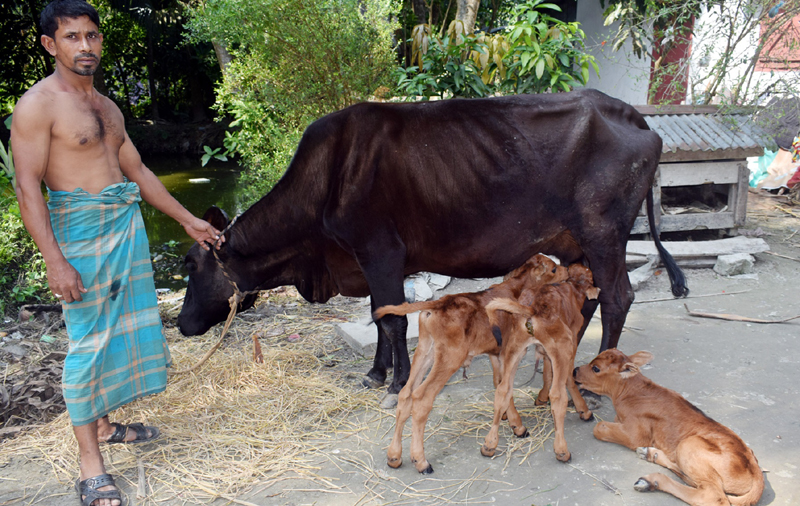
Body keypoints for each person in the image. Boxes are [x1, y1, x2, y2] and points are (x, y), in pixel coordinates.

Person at [10, 1, 223, 505]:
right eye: (72, 37)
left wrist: (188, 219)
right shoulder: (38, 105)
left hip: (123, 230)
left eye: (92, 36)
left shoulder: (107, 107)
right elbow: (26, 187)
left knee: (117, 331)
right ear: (50, 44)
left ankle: (103, 425)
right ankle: (90, 463)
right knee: (87, 342)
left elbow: (140, 172)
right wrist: (54, 260)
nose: (85, 46)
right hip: (79, 236)